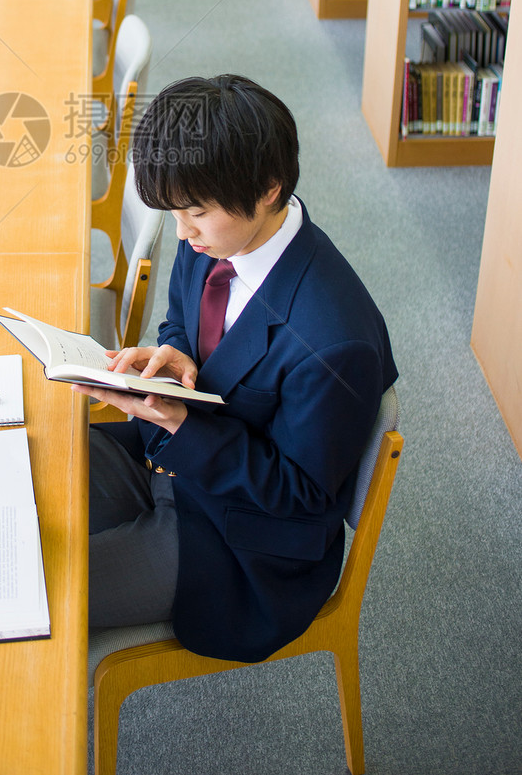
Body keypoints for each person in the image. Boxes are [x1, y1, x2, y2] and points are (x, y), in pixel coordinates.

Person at [74, 74, 398, 663]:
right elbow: (179, 319)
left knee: (45, 588)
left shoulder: (333, 340)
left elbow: (299, 497)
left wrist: (181, 426)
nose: (181, 231)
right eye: (173, 212)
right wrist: (175, 352)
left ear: (269, 189)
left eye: (195, 212)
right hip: (168, 461)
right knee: (34, 473)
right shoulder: (220, 238)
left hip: (240, 545)